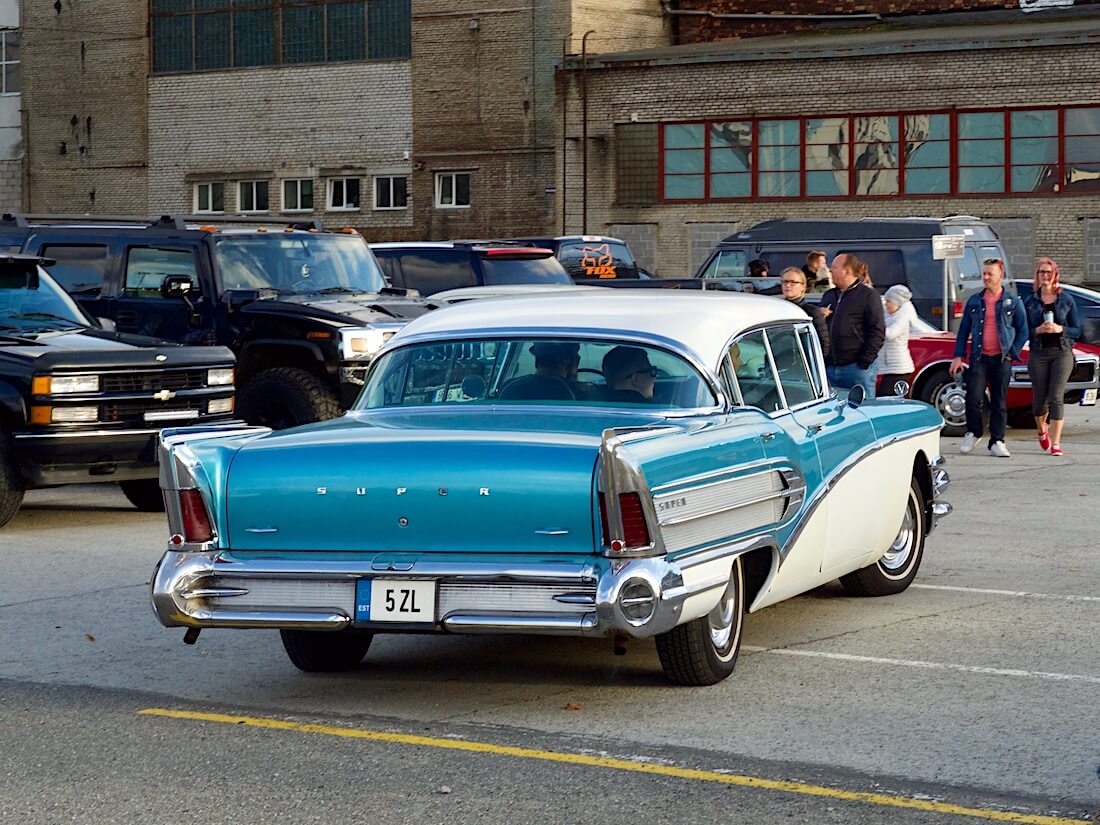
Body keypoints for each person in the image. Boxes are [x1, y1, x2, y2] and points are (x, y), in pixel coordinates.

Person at [949, 258, 1028, 458]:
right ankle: (973, 432)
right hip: (979, 357)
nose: (985, 278)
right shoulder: (975, 301)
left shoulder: (1012, 301)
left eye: (989, 274)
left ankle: (997, 440)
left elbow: (1023, 330)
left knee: (999, 402)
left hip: (1001, 359)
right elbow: (963, 329)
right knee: (974, 397)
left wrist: (1012, 353)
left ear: (1000, 276)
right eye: (983, 274)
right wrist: (958, 356)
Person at [1023, 257, 1080, 456]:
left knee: (1056, 396)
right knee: (1040, 401)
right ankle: (1042, 431)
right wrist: (1037, 330)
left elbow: (1077, 330)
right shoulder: (1030, 301)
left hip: (1062, 352)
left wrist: (1060, 328)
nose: (1045, 275)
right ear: (1037, 276)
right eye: (1041, 272)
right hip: (1039, 353)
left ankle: (1055, 443)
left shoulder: (1066, 299)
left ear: (1055, 275)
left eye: (1048, 272)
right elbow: (1022, 331)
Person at [819, 253, 884, 397]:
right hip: (830, 367)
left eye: (834, 267)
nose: (830, 270)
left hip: (856, 369)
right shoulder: (829, 296)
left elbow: (877, 331)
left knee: (862, 410)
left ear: (846, 271)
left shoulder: (868, 296)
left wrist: (864, 362)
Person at [499, 341, 584, 401]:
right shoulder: (580, 394)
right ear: (566, 360)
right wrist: (572, 375)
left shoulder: (508, 388)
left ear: (536, 361)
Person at [779, 266, 830, 359]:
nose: (788, 285)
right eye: (785, 282)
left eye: (793, 282)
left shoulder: (812, 312)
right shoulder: (776, 309)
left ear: (803, 286)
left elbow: (824, 344)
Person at [875, 284, 916, 397]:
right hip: (889, 367)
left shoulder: (902, 318)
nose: (886, 304)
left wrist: (875, 328)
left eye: (889, 301)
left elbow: (890, 334)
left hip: (899, 368)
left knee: (887, 397)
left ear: (897, 302)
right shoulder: (889, 315)